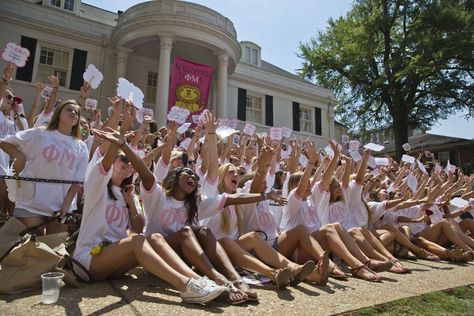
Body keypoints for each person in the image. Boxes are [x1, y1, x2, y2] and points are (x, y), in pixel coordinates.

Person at [74, 127, 225, 304]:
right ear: (112, 162)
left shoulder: (128, 194)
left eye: (130, 162)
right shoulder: (96, 186)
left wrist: (130, 203)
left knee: (152, 238)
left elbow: (137, 228)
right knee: (137, 240)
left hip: (114, 262)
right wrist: (117, 142)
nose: (129, 164)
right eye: (124, 159)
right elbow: (104, 165)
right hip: (88, 261)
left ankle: (200, 282)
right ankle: (186, 286)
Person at [0, 99, 89, 233]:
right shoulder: (40, 133)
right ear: (58, 113)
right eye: (68, 109)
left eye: (76, 112)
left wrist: (66, 205)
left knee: (51, 250)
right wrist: (20, 156)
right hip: (31, 203)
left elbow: (77, 181)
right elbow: (5, 142)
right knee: (26, 249)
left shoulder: (81, 146)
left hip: (60, 208)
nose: (73, 113)